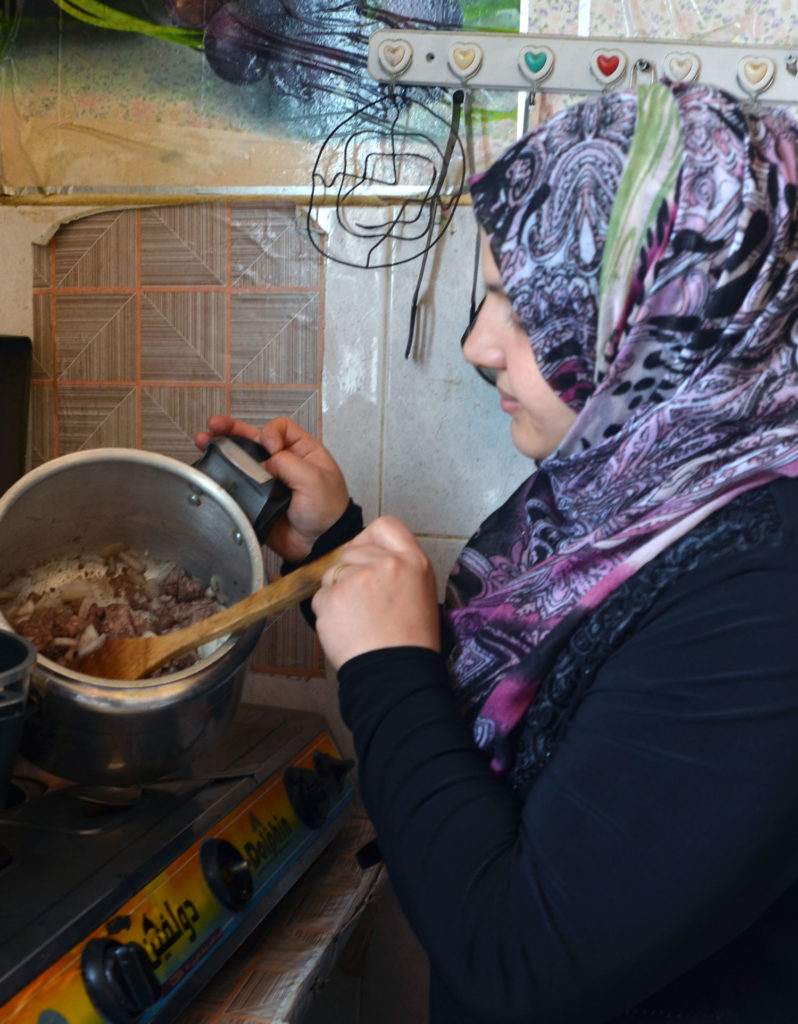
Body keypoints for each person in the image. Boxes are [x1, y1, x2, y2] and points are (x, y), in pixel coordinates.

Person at [196, 79, 798, 1023]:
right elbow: (564, 710)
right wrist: (336, 543)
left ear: (667, 310)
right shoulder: (642, 486)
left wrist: (389, 670)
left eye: (519, 305)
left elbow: (520, 961)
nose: (479, 345)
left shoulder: (769, 600)